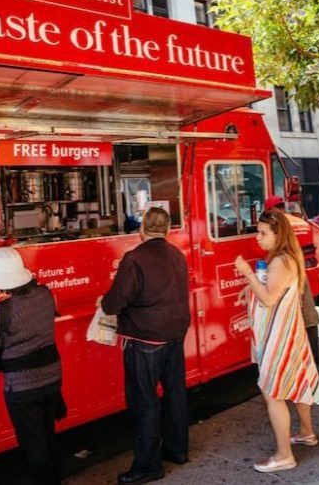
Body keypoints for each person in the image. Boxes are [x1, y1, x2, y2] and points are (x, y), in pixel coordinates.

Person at [101, 208, 190, 485]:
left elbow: (114, 303)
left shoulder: (135, 259)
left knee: (145, 401)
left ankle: (149, 465)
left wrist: (104, 302)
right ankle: (177, 450)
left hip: (145, 340)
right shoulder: (177, 255)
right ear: (167, 229)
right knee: (175, 394)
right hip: (175, 336)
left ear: (141, 229)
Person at [235, 210, 319, 472]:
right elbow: (274, 290)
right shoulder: (286, 259)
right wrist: (250, 286)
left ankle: (284, 455)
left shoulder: (280, 262)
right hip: (289, 333)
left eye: (263, 233)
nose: (258, 238)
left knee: (273, 394)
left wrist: (247, 274)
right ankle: (307, 432)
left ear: (278, 234)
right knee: (299, 384)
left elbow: (269, 298)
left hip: (279, 338)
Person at [0, 249, 64, 485]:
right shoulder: (46, 294)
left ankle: (46, 480)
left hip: (22, 385)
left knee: (32, 440)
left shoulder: (1, 311)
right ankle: (53, 474)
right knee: (46, 432)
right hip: (52, 374)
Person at [264, 194, 319, 365]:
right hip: (300, 271)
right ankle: (314, 365)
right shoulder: (299, 222)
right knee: (309, 317)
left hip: (286, 273)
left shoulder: (277, 227)